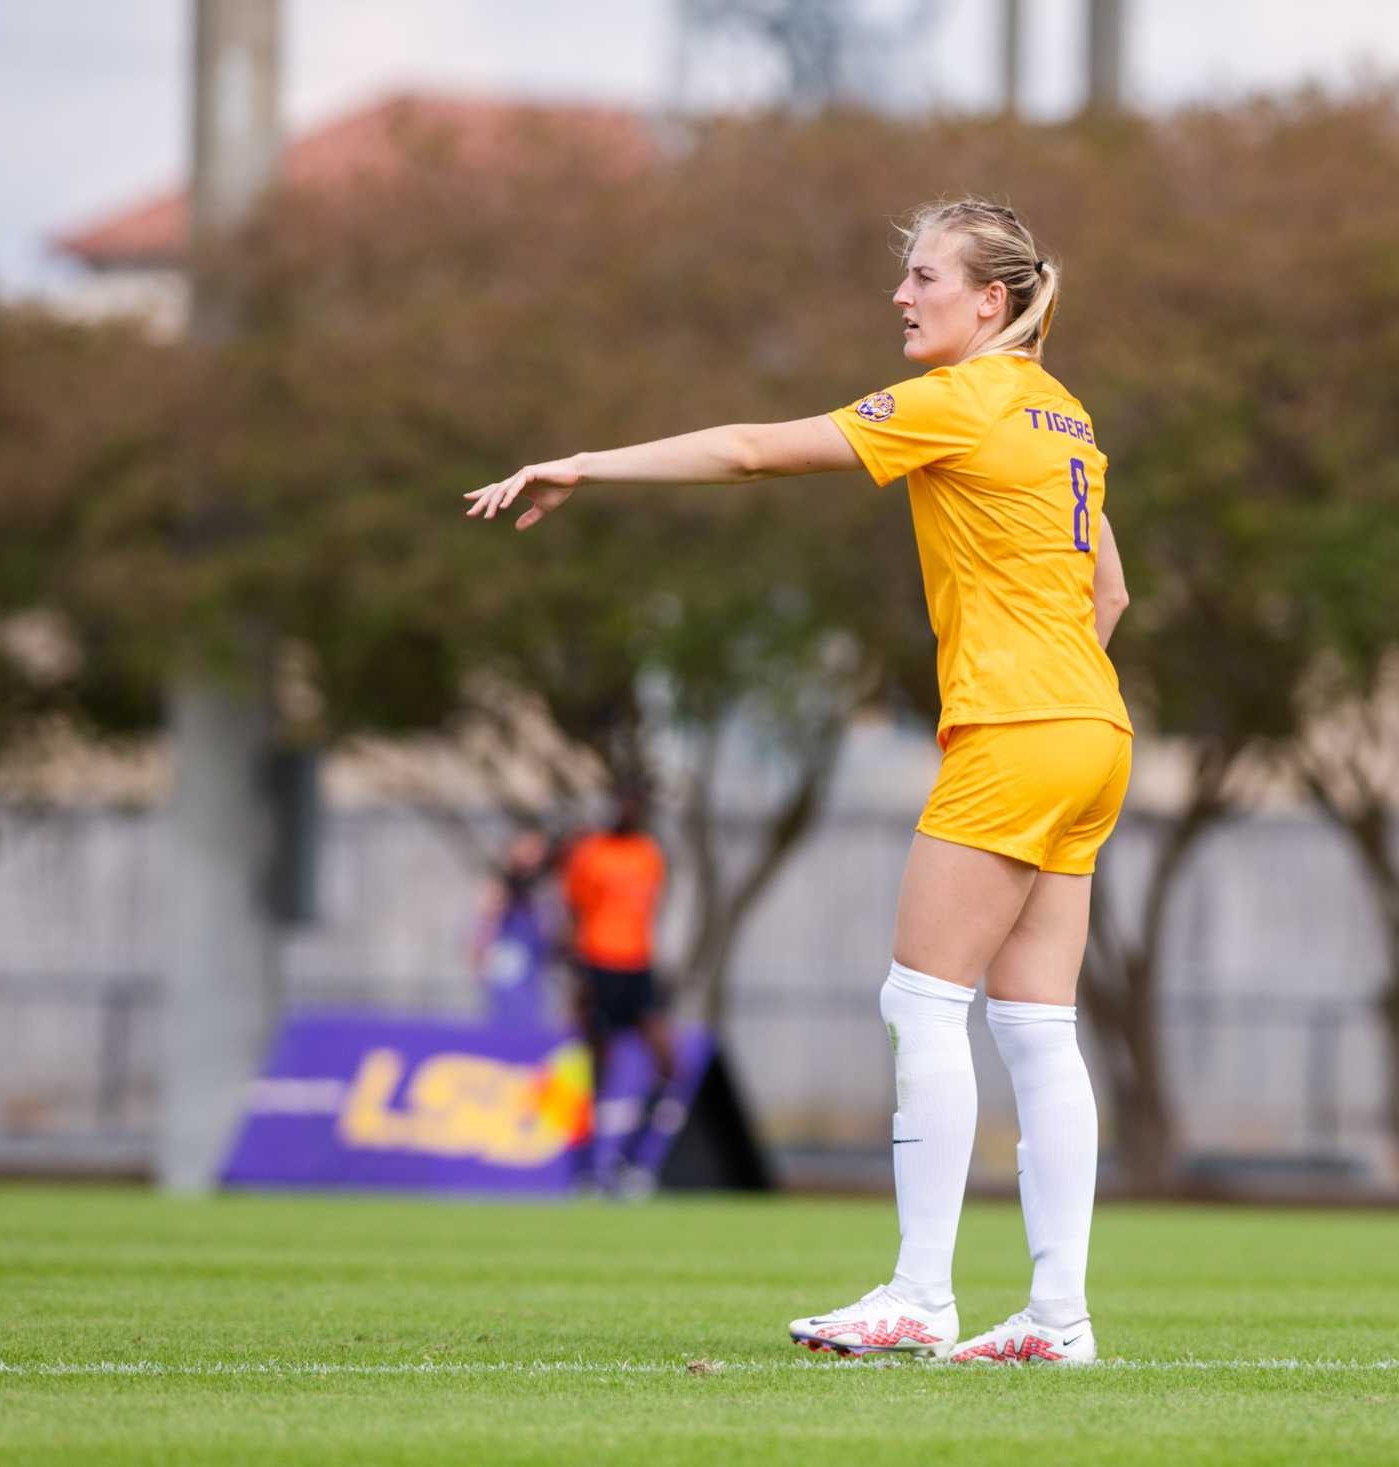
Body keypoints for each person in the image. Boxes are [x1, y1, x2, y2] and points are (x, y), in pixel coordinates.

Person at [467, 198, 1132, 1365]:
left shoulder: (962, 399)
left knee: (921, 1003)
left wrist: (583, 462)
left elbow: (749, 450)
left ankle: (920, 1296)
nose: (901, 295)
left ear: (990, 302)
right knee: (1034, 1027)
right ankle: (1056, 1320)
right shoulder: (1063, 414)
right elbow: (1109, 598)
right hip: (1092, 730)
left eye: (923, 275)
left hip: (1019, 729)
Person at [557, 784, 677, 1187]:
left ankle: (628, 1160)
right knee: (597, 1073)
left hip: (638, 969)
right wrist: (579, 975)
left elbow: (646, 914)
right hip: (599, 967)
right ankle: (586, 1169)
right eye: (623, 802)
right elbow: (574, 911)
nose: (629, 810)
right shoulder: (590, 853)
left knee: (667, 1063)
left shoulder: (649, 856)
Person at [472, 829, 556, 1031]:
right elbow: (488, 917)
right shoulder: (504, 883)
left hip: (532, 959)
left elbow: (548, 925)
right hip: (509, 956)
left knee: (530, 1013)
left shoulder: (542, 886)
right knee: (510, 1012)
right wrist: (480, 946)